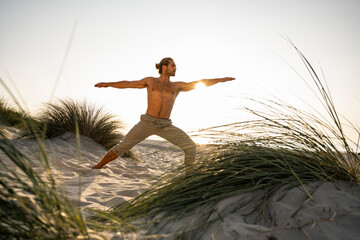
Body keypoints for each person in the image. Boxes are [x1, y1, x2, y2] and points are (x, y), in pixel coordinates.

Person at [91, 57, 235, 169]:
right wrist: (108, 84)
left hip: (165, 125)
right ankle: (97, 166)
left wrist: (221, 80)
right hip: (146, 123)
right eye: (173, 65)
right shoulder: (150, 81)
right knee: (122, 147)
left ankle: (188, 177)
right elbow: (128, 83)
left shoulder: (177, 86)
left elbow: (201, 82)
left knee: (190, 147)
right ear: (164, 67)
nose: (176, 68)